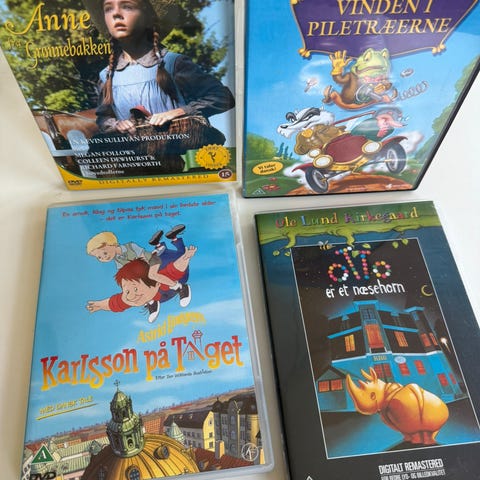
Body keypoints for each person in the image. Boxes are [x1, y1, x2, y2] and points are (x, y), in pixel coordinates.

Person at [83, 0, 235, 172]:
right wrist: (116, 124)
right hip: (135, 166)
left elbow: (223, 97)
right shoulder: (107, 75)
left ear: (148, 17)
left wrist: (176, 112)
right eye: (108, 8)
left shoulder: (173, 63)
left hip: (177, 160)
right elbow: (104, 118)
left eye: (127, 6)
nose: (116, 14)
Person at [86, 226, 191, 321]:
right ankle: (151, 302)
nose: (104, 257)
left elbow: (144, 258)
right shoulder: (118, 261)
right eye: (99, 257)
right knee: (136, 287)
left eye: (104, 253)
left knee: (152, 275)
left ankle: (179, 287)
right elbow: (125, 273)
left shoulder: (129, 247)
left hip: (151, 261)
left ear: (112, 244)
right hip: (140, 270)